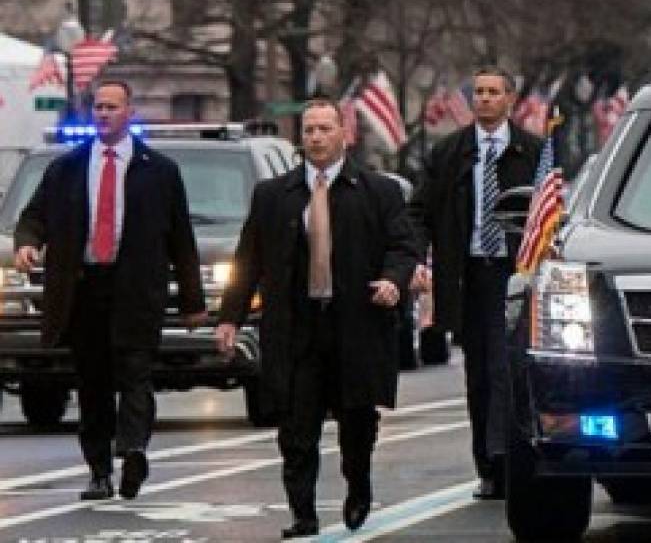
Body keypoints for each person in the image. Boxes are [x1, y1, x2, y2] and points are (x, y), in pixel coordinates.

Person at [217, 100, 417, 538]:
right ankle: (302, 514)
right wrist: (230, 317)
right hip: (296, 326)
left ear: (343, 134)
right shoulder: (274, 195)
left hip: (355, 324)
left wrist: (392, 281)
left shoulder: (376, 191)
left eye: (325, 129)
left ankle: (358, 486)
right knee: (296, 427)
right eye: (308, 130)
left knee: (357, 422)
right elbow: (248, 260)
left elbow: (403, 247)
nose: (316, 138)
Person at [11, 79, 204, 501]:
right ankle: (99, 470)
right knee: (93, 384)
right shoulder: (66, 168)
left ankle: (133, 450)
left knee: (136, 374)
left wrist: (193, 303)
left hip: (136, 289)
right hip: (83, 290)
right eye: (98, 107)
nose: (103, 114)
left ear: (129, 112)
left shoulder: (159, 171)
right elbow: (34, 216)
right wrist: (27, 243)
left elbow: (182, 240)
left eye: (112, 107)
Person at [408, 67, 544, 499]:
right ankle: (486, 463)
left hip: (515, 276)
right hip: (468, 275)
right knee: (478, 374)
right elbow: (420, 212)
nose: (484, 99)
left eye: (493, 92)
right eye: (478, 92)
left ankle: (506, 458)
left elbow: (554, 216)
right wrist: (416, 261)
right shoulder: (449, 153)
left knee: (507, 367)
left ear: (510, 99)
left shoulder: (534, 153)